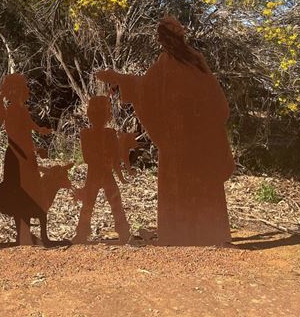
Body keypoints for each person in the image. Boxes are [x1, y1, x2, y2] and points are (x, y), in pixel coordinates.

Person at [96, 17, 234, 246]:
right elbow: (145, 88)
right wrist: (119, 79)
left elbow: (212, 97)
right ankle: (183, 234)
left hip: (193, 135)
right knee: (183, 179)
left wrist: (120, 79)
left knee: (197, 178)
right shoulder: (167, 62)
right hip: (178, 136)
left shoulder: (194, 61)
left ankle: (206, 233)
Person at [0, 73, 52, 244]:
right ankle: (21, 232)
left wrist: (41, 131)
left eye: (21, 88)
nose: (19, 92)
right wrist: (3, 93)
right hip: (16, 155)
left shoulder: (22, 109)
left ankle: (26, 232)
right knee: (17, 189)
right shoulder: (9, 110)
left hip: (28, 155)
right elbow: (7, 128)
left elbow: (30, 126)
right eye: (14, 89)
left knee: (31, 190)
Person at [73, 96, 131, 244]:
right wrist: (113, 169)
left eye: (102, 113)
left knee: (109, 201)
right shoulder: (88, 134)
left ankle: (122, 231)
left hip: (102, 173)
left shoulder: (107, 134)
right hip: (98, 173)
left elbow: (115, 157)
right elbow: (89, 157)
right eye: (97, 113)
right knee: (91, 203)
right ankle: (83, 232)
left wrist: (118, 173)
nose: (99, 117)